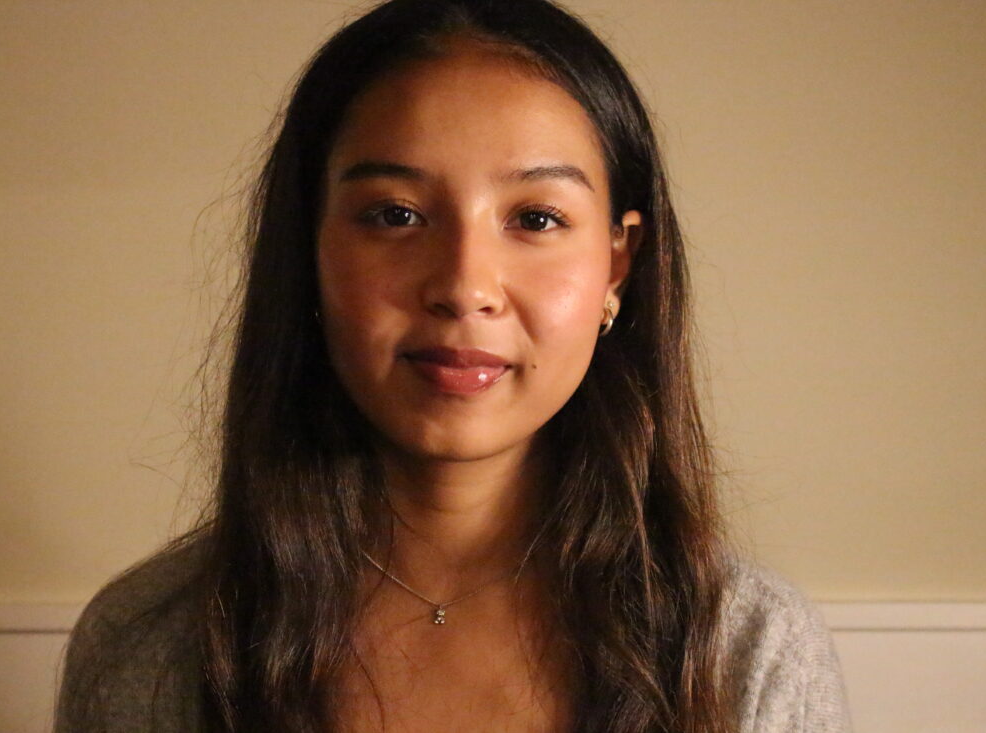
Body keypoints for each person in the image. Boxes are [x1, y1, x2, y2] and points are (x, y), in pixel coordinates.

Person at [56, 0, 852, 731]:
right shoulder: (153, 643)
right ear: (310, 251)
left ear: (617, 265)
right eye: (395, 215)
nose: (465, 287)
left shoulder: (742, 649)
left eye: (536, 218)